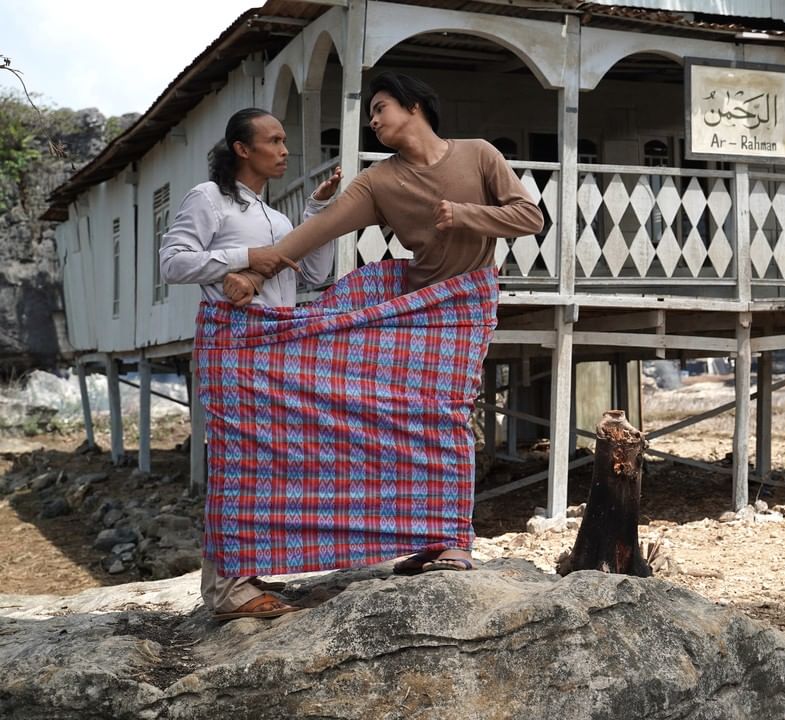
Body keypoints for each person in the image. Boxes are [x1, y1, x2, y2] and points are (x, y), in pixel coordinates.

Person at [222, 72, 544, 573]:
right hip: (412, 312)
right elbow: (315, 231)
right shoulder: (379, 181)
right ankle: (425, 536)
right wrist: (253, 271)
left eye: (380, 108)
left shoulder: (478, 154)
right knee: (402, 425)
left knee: (447, 417)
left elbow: (530, 218)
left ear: (414, 105)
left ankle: (455, 539)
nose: (373, 121)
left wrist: (465, 215)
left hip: (465, 305)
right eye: (370, 114)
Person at [159, 107, 342, 620]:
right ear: (242, 148)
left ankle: (247, 572)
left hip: (275, 347)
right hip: (232, 344)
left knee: (267, 462)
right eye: (274, 140)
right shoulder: (209, 198)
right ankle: (224, 592)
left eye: (285, 140)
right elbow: (172, 262)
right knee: (236, 461)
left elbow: (312, 276)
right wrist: (244, 258)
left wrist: (318, 217)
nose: (284, 150)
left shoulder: (276, 216)